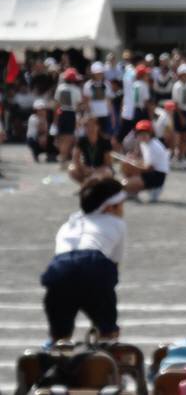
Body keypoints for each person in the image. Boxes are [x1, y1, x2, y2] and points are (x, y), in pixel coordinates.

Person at [40, 177, 127, 341]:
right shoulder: (117, 224)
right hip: (94, 265)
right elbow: (114, 264)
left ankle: (55, 352)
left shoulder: (68, 224)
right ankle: (107, 343)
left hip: (60, 269)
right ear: (110, 207)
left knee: (59, 336)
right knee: (108, 332)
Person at [121, 120, 170, 201]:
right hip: (150, 173)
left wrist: (133, 162)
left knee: (124, 184)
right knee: (126, 165)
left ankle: (151, 188)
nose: (142, 135)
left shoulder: (154, 146)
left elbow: (148, 168)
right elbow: (142, 160)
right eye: (140, 133)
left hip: (157, 176)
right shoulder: (144, 143)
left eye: (145, 133)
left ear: (150, 134)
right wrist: (132, 158)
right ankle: (133, 191)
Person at [68, 117, 113, 185]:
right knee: (72, 169)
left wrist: (95, 170)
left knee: (107, 172)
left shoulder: (105, 141)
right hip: (86, 168)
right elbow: (75, 158)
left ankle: (88, 185)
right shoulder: (81, 140)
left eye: (93, 125)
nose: (90, 128)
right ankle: (86, 184)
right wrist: (84, 168)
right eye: (87, 126)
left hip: (101, 169)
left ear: (98, 127)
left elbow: (108, 163)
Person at [54, 68, 83, 168]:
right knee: (68, 137)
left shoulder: (60, 88)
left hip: (61, 113)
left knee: (62, 137)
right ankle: (64, 158)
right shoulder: (76, 90)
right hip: (71, 114)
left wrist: (55, 119)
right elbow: (78, 105)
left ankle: (62, 158)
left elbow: (57, 104)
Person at [83, 62, 113, 136]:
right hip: (92, 115)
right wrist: (89, 113)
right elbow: (86, 101)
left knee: (105, 135)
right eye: (97, 73)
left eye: (100, 73)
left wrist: (111, 115)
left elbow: (108, 101)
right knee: (93, 134)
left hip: (104, 114)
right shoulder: (88, 85)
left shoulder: (107, 84)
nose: (99, 75)